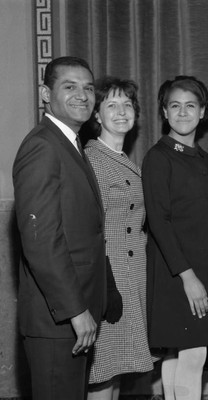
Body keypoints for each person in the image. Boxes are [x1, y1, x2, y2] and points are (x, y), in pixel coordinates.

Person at [12, 56, 107, 400]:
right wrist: (75, 309)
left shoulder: (70, 144)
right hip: (59, 319)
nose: (82, 95)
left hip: (75, 314)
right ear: (45, 93)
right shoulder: (42, 146)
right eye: (70, 87)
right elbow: (41, 241)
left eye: (88, 88)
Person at [142, 76, 208, 400]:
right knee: (192, 354)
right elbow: (159, 222)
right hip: (177, 271)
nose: (183, 113)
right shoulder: (158, 157)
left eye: (191, 106)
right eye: (175, 105)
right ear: (164, 111)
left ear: (202, 112)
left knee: (182, 355)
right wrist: (187, 277)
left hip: (199, 266)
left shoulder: (205, 160)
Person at [83, 76, 154, 399]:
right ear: (96, 115)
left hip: (133, 276)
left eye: (128, 104)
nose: (122, 111)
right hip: (111, 280)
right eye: (112, 105)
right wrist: (104, 285)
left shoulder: (126, 161)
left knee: (119, 372)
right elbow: (88, 230)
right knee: (104, 373)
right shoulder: (92, 160)